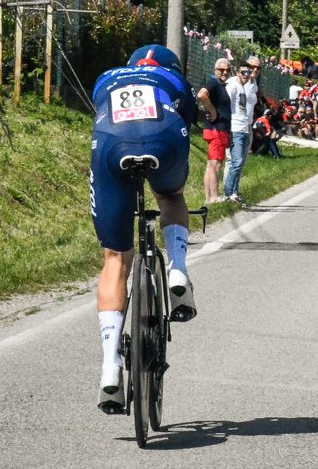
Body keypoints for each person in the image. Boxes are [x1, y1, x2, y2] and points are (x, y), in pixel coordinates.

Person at [91, 44, 197, 413]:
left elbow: (101, 115)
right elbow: (190, 119)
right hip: (165, 135)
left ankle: (110, 366)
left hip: (110, 142)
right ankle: (178, 270)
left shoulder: (107, 78)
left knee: (115, 258)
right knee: (171, 194)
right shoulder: (173, 79)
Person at [195, 58, 232, 204]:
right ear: (215, 70)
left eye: (227, 70)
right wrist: (212, 110)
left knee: (212, 163)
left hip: (218, 130)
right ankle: (214, 196)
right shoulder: (214, 83)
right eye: (221, 70)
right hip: (216, 129)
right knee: (215, 163)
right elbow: (201, 95)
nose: (224, 72)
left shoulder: (221, 85)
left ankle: (208, 197)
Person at [223, 62, 256, 202]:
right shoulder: (232, 85)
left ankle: (235, 192)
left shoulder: (243, 86)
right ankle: (228, 192)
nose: (246, 75)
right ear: (237, 72)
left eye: (248, 72)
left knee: (240, 163)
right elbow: (226, 104)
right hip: (235, 128)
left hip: (244, 127)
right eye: (243, 72)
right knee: (236, 162)